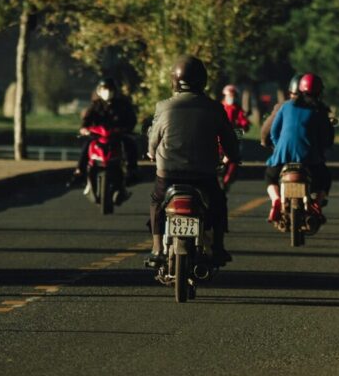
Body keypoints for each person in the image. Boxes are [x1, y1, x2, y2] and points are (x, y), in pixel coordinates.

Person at [145, 55, 240, 268]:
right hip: (203, 173)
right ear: (203, 81)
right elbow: (229, 139)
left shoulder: (164, 107)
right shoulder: (215, 108)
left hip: (168, 172)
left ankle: (157, 248)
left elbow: (154, 137)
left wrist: (151, 153)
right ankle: (217, 246)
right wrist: (233, 156)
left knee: (157, 201)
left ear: (173, 80)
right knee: (217, 202)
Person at [265, 72, 334, 223]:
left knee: (270, 177)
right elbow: (326, 139)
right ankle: (316, 205)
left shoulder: (286, 106)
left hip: (282, 155)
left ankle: (276, 199)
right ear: (319, 92)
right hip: (309, 157)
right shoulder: (320, 111)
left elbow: (274, 132)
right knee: (325, 179)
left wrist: (279, 148)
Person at [69, 78, 139, 186]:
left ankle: (132, 171)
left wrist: (125, 129)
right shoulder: (95, 105)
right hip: (98, 136)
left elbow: (132, 120)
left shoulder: (123, 105)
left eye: (109, 89)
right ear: (99, 90)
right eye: (104, 89)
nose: (107, 92)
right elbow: (86, 121)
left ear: (115, 91)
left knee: (129, 143)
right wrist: (84, 129)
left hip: (117, 135)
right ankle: (79, 171)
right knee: (87, 145)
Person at [259, 75, 300, 150]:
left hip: (286, 152)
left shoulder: (283, 107)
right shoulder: (320, 109)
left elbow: (267, 129)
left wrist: (264, 141)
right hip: (313, 156)